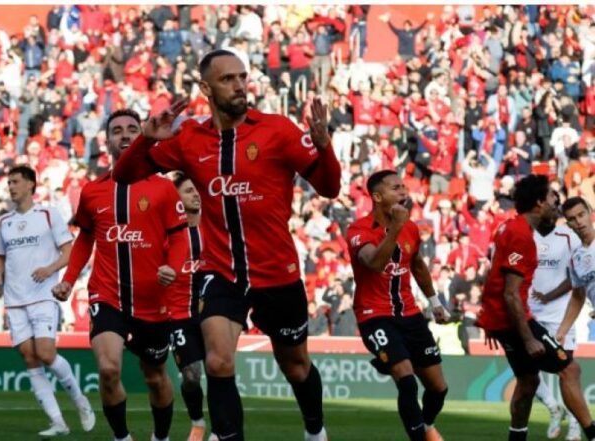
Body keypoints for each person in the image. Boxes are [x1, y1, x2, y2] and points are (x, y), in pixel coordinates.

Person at [112, 49, 341, 441]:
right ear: (206, 88)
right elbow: (124, 175)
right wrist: (145, 140)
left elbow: (330, 188)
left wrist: (324, 148)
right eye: (227, 79)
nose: (238, 85)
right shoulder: (188, 138)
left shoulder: (277, 130)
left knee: (296, 365)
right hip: (220, 271)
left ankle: (315, 430)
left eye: (242, 77)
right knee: (217, 361)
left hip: (276, 271)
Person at [51, 109, 189, 441]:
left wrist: (173, 267)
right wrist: (69, 279)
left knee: (155, 376)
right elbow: (85, 238)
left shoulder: (163, 188)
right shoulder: (92, 191)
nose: (125, 135)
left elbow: (179, 236)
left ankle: (160, 437)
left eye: (131, 129)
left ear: (142, 135)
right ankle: (122, 438)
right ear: (107, 141)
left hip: (152, 300)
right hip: (107, 295)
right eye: (117, 130)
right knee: (109, 369)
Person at [477, 175, 595, 441]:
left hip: (506, 319)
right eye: (552, 197)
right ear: (540, 202)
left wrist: (488, 315)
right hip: (516, 320)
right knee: (569, 369)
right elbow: (510, 292)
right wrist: (528, 338)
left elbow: (495, 278)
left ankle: (518, 436)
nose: (556, 203)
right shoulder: (521, 235)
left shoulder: (509, 228)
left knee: (528, 381)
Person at [346, 170, 449, 441]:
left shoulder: (411, 228)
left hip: (410, 314)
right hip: (374, 315)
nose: (404, 191)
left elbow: (417, 265)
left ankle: (426, 426)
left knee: (439, 389)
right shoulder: (358, 230)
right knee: (406, 379)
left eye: (403, 186)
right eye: (395, 188)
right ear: (378, 197)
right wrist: (394, 229)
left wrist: (435, 302)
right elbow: (375, 263)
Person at [0, 165, 95, 437]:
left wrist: (49, 270)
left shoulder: (49, 214)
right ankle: (58, 422)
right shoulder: (4, 222)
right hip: (15, 299)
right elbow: (0, 257)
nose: (11, 187)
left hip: (42, 296)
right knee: (29, 357)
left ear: (30, 184)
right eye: (9, 183)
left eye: (15, 182)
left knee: (46, 353)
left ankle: (80, 402)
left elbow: (69, 252)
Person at [527, 204, 581, 440]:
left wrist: (549, 296)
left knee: (566, 370)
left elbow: (576, 277)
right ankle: (553, 407)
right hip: (530, 314)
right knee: (526, 371)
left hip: (560, 315)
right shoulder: (524, 235)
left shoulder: (569, 236)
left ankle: (576, 424)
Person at [169, 172, 212, 441]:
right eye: (188, 191)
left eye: (197, 190)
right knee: (191, 376)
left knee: (217, 371)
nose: (195, 194)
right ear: (177, 199)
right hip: (179, 315)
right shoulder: (169, 234)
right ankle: (197, 422)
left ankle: (221, 429)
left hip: (212, 313)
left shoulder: (214, 229)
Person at [558, 197, 595, 441]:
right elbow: (578, 296)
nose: (579, 222)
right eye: (572, 219)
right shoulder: (577, 256)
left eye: (581, 215)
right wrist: (562, 330)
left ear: (590, 212)